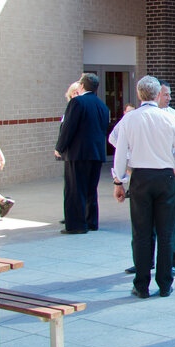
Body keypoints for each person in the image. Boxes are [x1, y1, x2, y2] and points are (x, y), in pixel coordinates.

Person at [112, 76, 175, 299]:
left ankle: (141, 285)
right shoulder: (169, 118)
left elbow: (120, 154)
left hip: (141, 177)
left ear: (138, 94)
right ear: (158, 94)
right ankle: (165, 284)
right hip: (165, 176)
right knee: (166, 232)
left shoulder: (129, 119)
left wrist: (119, 182)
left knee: (141, 232)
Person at [54, 73, 110, 233]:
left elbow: (68, 127)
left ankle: (76, 225)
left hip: (78, 153)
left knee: (75, 189)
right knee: (91, 189)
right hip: (96, 153)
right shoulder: (102, 106)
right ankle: (91, 221)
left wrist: (60, 147)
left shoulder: (77, 102)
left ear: (82, 86)